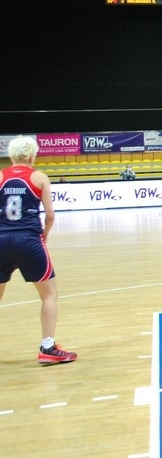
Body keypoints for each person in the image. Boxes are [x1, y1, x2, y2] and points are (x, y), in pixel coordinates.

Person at [0, 136, 77, 365]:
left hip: (1, 239)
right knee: (49, 295)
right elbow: (50, 215)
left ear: (11, 155)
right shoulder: (39, 177)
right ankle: (48, 347)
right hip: (29, 241)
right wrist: (44, 234)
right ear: (33, 155)